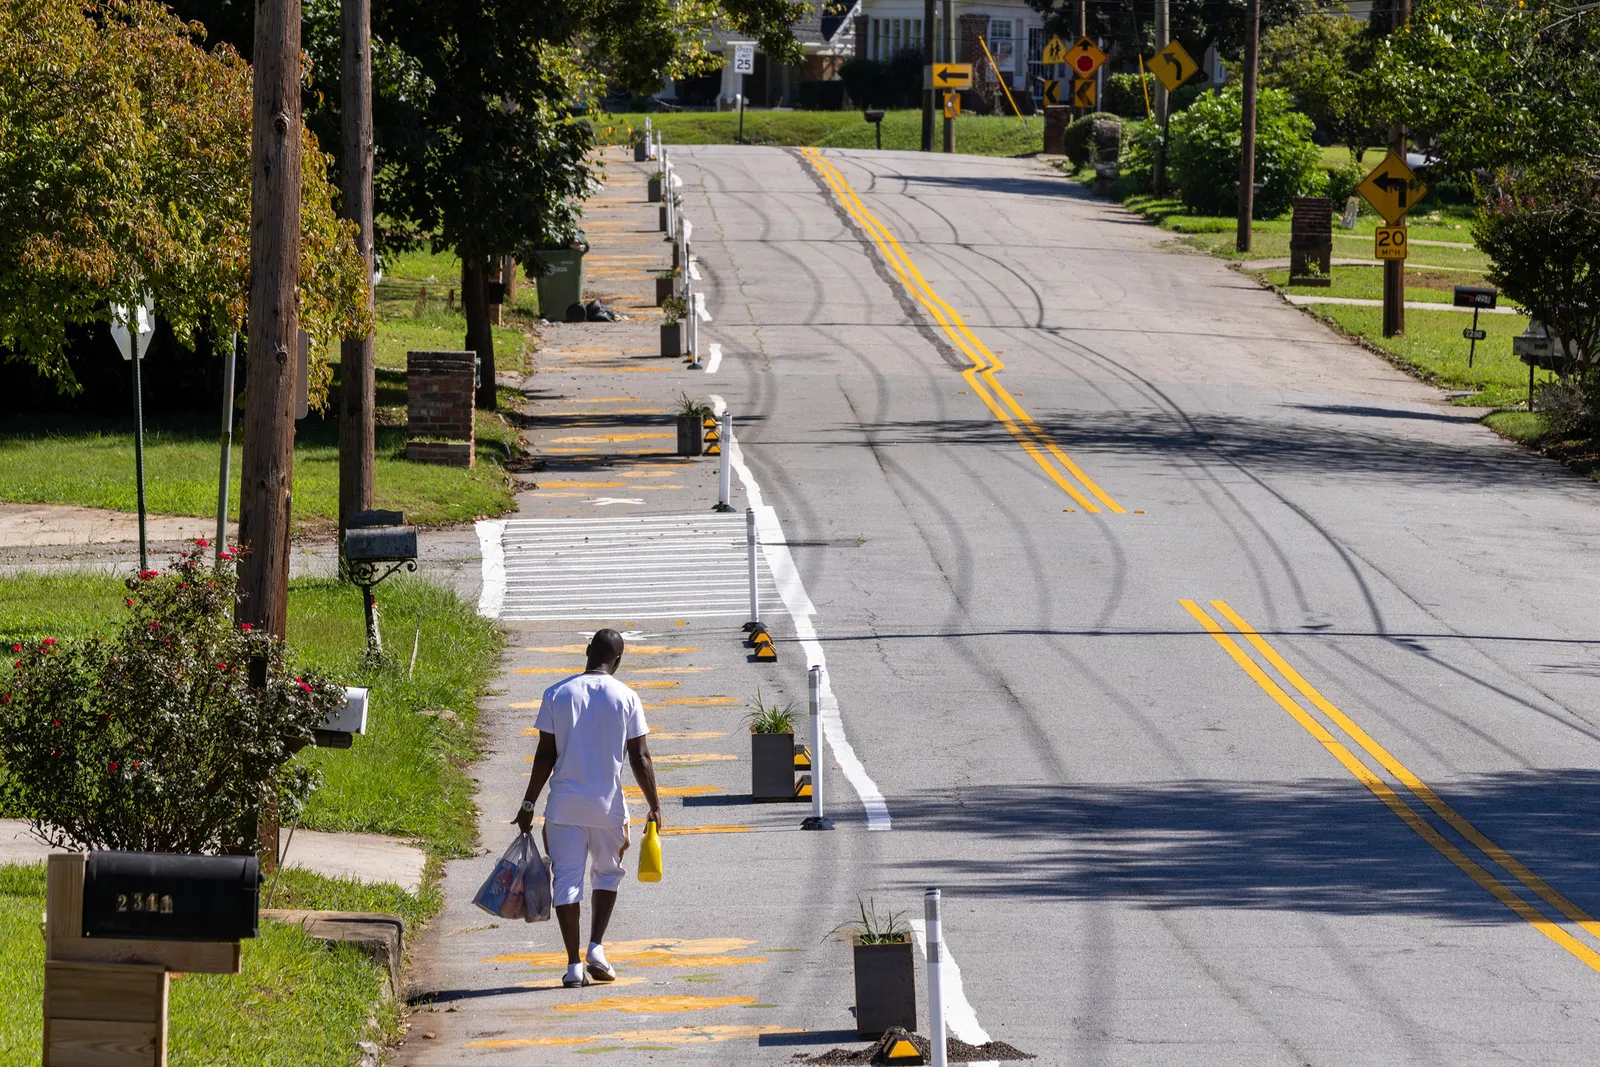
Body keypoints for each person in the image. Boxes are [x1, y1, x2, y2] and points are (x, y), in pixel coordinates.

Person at [514, 628, 662, 988]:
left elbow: (545, 755)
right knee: (607, 874)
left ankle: (572, 965)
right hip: (608, 807)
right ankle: (596, 947)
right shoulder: (627, 697)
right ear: (619, 660)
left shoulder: (557, 694)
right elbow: (639, 756)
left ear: (586, 651)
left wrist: (529, 803)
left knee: (566, 882)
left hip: (564, 807)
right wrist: (655, 805)